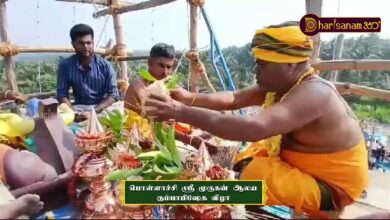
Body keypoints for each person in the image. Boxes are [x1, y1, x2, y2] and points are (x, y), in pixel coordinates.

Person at [142, 21, 368, 217]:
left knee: (254, 175)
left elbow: (253, 127)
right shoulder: (283, 84)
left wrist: (181, 112)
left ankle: (211, 202)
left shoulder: (315, 92)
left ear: (290, 65)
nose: (254, 70)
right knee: (246, 159)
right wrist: (189, 98)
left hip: (331, 188)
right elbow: (233, 98)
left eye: (262, 64)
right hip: (300, 167)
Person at [56, 24, 120, 120]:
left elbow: (113, 95)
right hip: (77, 108)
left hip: (101, 108)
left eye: (89, 43)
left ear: (93, 43)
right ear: (73, 44)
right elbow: (62, 95)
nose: (86, 47)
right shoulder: (65, 66)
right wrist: (72, 113)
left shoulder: (105, 66)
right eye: (81, 43)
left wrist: (93, 112)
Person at [124, 43, 176, 114]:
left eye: (169, 67)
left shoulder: (167, 85)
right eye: (161, 65)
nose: (165, 72)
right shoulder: (138, 87)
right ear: (150, 62)